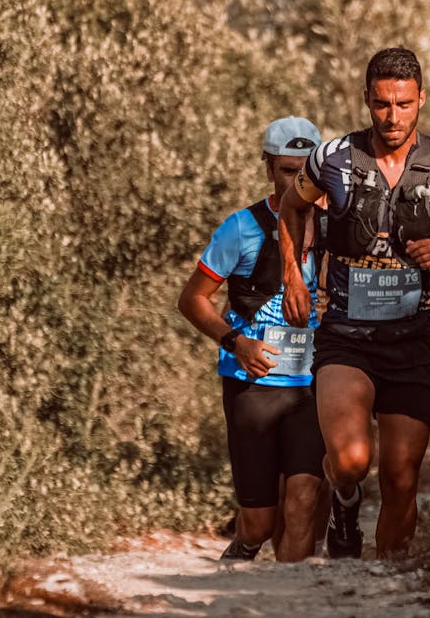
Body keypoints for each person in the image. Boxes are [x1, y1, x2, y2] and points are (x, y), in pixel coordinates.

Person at [278, 48, 430, 558]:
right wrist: (294, 279)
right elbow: (290, 206)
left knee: (402, 478)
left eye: (405, 104)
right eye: (383, 104)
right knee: (349, 461)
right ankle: (345, 502)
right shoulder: (333, 159)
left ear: (422, 101)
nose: (393, 117)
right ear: (367, 100)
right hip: (346, 338)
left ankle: (387, 584)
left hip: (411, 343)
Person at [178, 116, 327, 562]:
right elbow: (192, 300)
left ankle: (291, 603)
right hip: (251, 386)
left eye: (306, 173)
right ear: (268, 168)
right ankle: (239, 553)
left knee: (301, 503)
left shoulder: (337, 229)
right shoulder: (240, 228)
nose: (295, 183)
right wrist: (236, 343)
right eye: (286, 171)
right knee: (260, 523)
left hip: (312, 389)